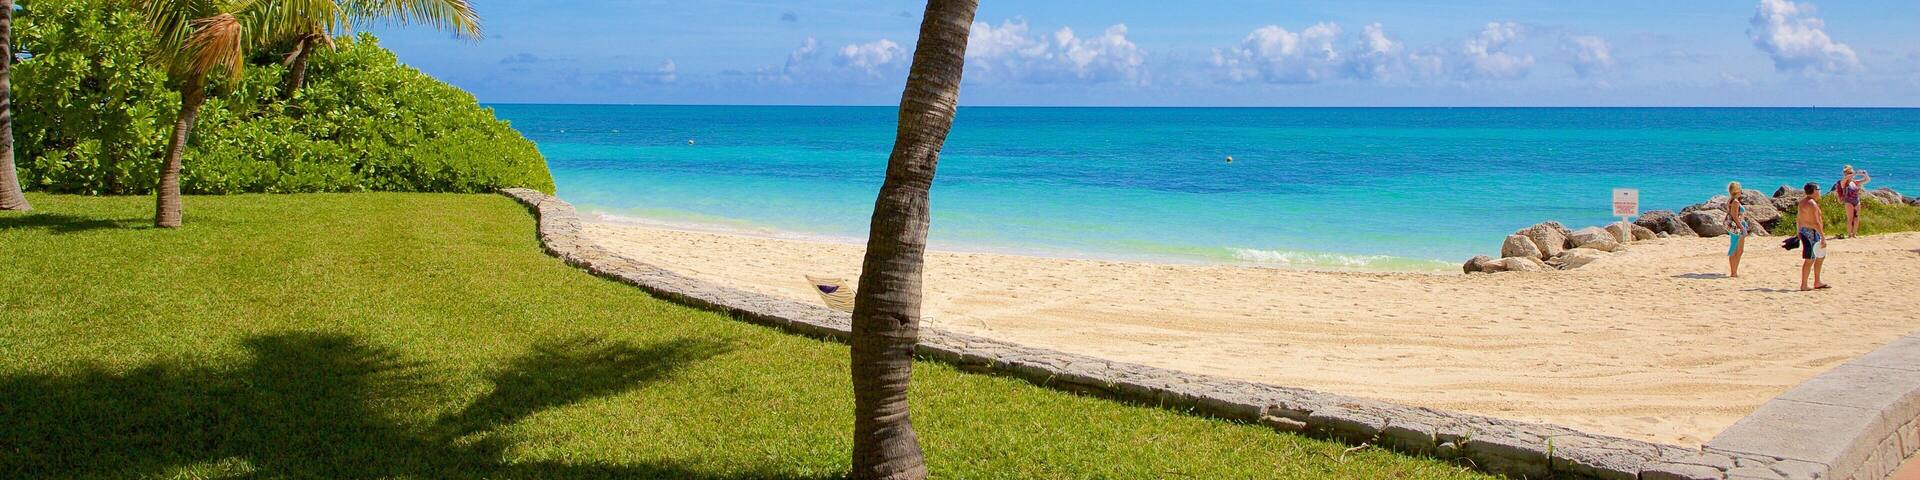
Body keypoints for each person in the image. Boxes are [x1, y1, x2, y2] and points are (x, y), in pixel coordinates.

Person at [1797, 182, 1830, 291]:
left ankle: (1817, 281)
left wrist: (1798, 231)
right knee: (1810, 259)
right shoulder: (1812, 204)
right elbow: (1816, 222)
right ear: (1815, 190)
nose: (1820, 191)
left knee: (1820, 256)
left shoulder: (1803, 202)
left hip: (1805, 231)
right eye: (1819, 189)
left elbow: (1798, 218)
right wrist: (1823, 237)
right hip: (1811, 232)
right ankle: (1804, 284)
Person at [1833, 165, 1870, 239]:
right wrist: (1856, 173)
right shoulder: (1843, 182)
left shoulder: (1855, 182)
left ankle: (1854, 234)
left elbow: (1867, 180)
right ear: (1845, 174)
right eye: (1849, 173)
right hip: (1848, 201)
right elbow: (1847, 178)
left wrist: (1864, 174)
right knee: (1850, 219)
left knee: (1856, 218)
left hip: (1856, 200)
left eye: (1851, 173)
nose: (1850, 174)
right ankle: (1850, 234)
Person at [1725, 182, 1747, 278]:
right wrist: (1742, 228)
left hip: (1735, 226)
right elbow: (1734, 216)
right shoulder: (1735, 202)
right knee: (1738, 249)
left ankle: (1734, 271)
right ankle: (1734, 272)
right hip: (1737, 226)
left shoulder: (1730, 200)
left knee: (1735, 247)